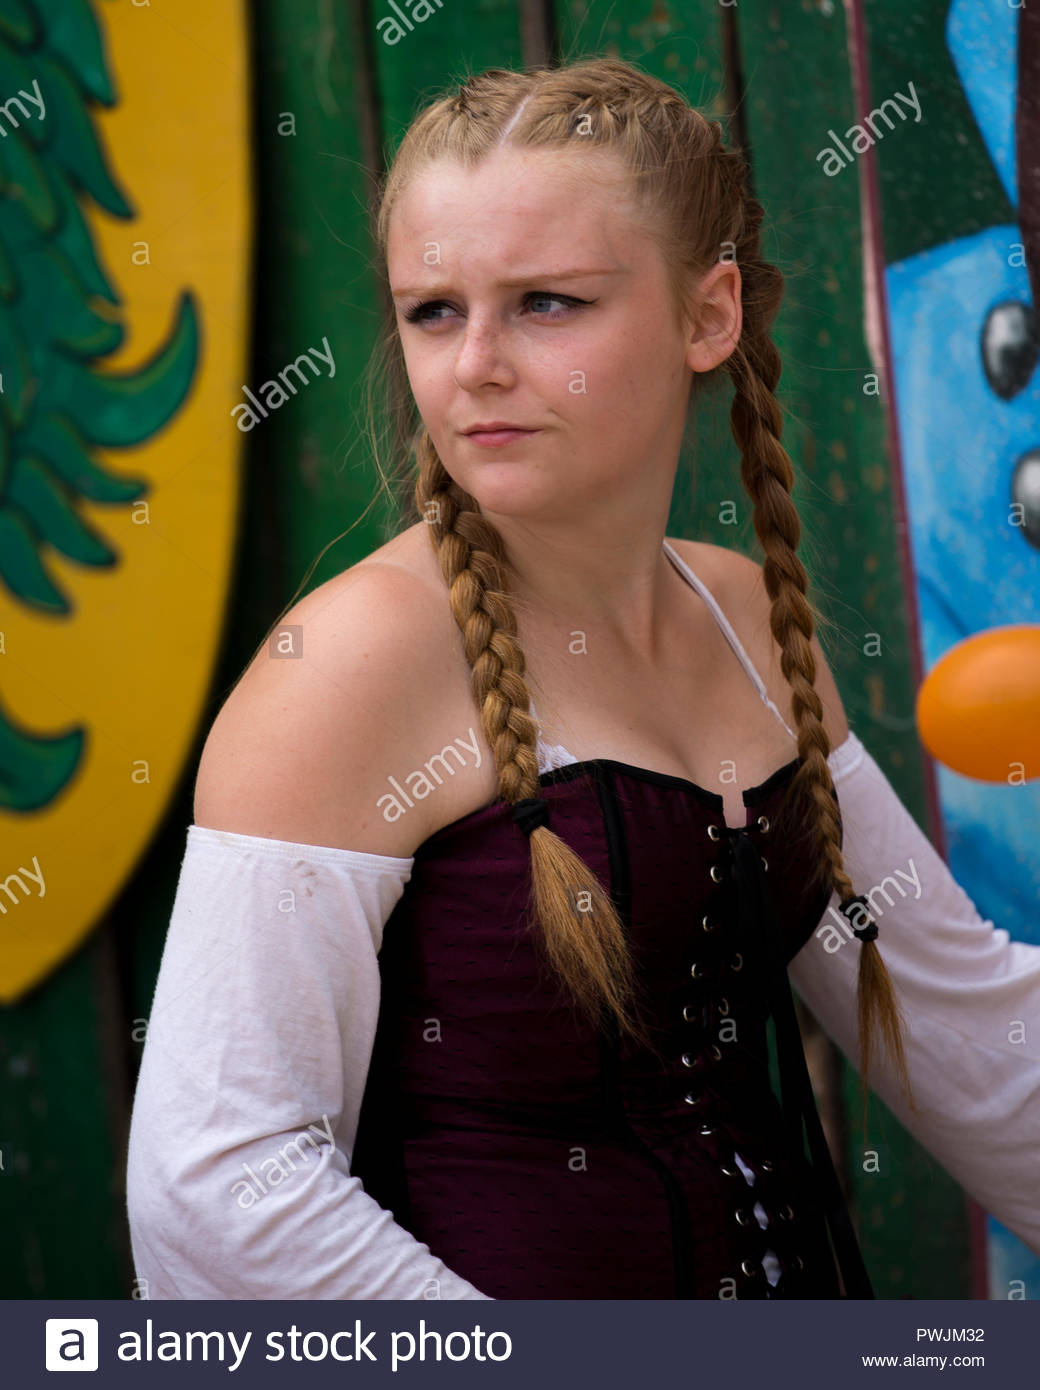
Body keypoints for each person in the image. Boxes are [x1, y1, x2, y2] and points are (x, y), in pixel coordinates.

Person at [125, 57, 1040, 1301]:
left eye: (547, 302)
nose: (475, 364)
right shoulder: (344, 667)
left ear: (707, 314)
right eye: (431, 311)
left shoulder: (743, 620)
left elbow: (967, 1036)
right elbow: (220, 1191)